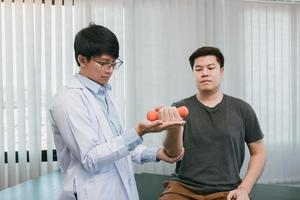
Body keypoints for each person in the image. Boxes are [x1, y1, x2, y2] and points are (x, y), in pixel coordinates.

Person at [49, 23, 185, 200]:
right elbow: (91, 158)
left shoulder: (105, 94)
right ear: (82, 60)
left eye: (114, 63)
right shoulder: (68, 100)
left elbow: (116, 145)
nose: (110, 70)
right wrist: (139, 132)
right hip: (90, 193)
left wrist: (156, 153)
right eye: (104, 63)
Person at [158, 46, 267, 200]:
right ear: (193, 73)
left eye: (210, 68)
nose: (205, 73)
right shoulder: (179, 108)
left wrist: (244, 189)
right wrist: (174, 128)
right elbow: (172, 154)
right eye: (198, 69)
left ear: (221, 72)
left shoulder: (242, 109)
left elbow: (259, 152)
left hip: (227, 190)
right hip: (183, 188)